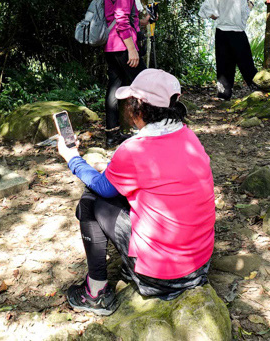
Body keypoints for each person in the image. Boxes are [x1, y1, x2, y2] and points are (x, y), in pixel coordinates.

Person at [56, 69, 215, 315]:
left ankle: (95, 293)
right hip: (200, 265)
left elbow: (102, 188)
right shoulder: (189, 137)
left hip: (162, 277)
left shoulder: (133, 150)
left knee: (90, 200)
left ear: (139, 107)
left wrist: (72, 158)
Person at [103, 0, 150, 147]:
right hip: (124, 46)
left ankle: (112, 134)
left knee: (114, 89)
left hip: (110, 46)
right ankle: (149, 131)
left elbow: (116, 18)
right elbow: (121, 20)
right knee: (144, 86)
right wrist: (132, 49)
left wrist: (143, 22)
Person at [199, 0, 259, 99]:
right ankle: (256, 91)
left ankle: (223, 95)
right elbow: (244, 16)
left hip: (221, 33)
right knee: (246, 64)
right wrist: (249, 7)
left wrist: (216, 17)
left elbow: (204, 10)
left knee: (223, 66)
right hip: (237, 34)